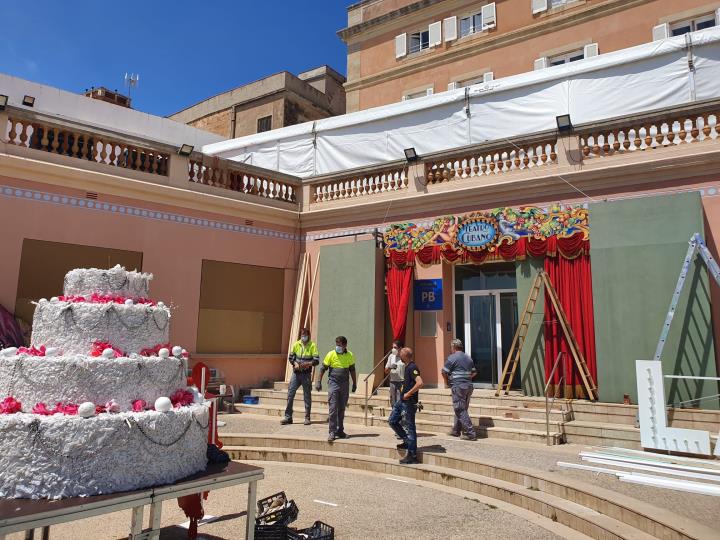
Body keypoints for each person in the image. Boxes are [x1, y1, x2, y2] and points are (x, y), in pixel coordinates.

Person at [315, 336, 357, 442]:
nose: (337, 347)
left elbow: (352, 370)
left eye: (340, 345)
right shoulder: (331, 354)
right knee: (333, 408)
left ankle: (340, 430)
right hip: (333, 384)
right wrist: (319, 382)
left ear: (345, 345)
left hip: (344, 384)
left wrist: (354, 384)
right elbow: (323, 368)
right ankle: (332, 432)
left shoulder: (350, 355)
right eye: (337, 344)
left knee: (341, 409)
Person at [388, 347, 423, 464]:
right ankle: (406, 441)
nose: (399, 356)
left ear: (405, 356)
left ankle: (412, 455)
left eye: (401, 355)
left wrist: (408, 393)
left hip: (408, 402)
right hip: (402, 400)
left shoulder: (412, 367)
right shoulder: (407, 367)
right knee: (392, 420)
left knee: (410, 428)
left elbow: (420, 382)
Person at [281, 328, 320, 425]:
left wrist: (308, 364)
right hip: (296, 374)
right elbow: (291, 357)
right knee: (290, 394)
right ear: (300, 335)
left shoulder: (312, 345)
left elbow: (316, 360)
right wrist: (294, 363)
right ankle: (288, 417)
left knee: (307, 396)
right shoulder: (296, 344)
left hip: (306, 374)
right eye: (302, 335)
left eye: (305, 335)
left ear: (308, 335)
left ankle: (307, 417)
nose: (304, 337)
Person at [442, 339, 477, 441]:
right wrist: (466, 378)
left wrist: (447, 382)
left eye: (451, 347)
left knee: (459, 409)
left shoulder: (452, 358)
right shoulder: (468, 358)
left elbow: (444, 372)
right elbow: (474, 372)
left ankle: (471, 433)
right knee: (462, 408)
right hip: (468, 386)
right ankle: (456, 431)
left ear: (453, 347)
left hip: (458, 386)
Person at [384, 339, 405, 406]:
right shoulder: (391, 356)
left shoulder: (404, 357)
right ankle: (394, 415)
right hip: (392, 382)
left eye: (395, 347)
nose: (393, 349)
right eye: (392, 347)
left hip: (401, 382)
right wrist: (390, 367)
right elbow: (386, 371)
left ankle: (400, 416)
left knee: (400, 401)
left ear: (400, 348)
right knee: (393, 401)